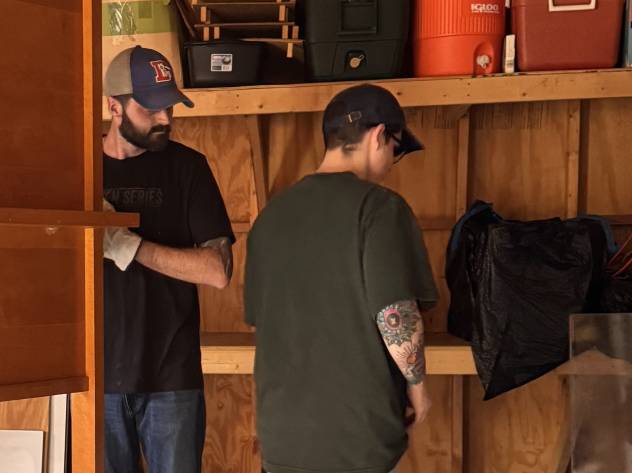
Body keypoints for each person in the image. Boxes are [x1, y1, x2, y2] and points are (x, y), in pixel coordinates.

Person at [244, 84, 439, 473]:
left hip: (282, 441)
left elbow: (259, 320)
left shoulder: (269, 219)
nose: (391, 164)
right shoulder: (380, 208)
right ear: (379, 136)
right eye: (396, 151)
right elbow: (395, 314)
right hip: (355, 443)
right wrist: (418, 389)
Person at [100, 46, 235, 473]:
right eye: (151, 109)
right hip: (95, 376)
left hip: (170, 379)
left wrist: (129, 246)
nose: (165, 119)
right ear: (113, 107)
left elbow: (217, 271)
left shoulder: (188, 169)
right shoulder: (78, 171)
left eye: (170, 107)